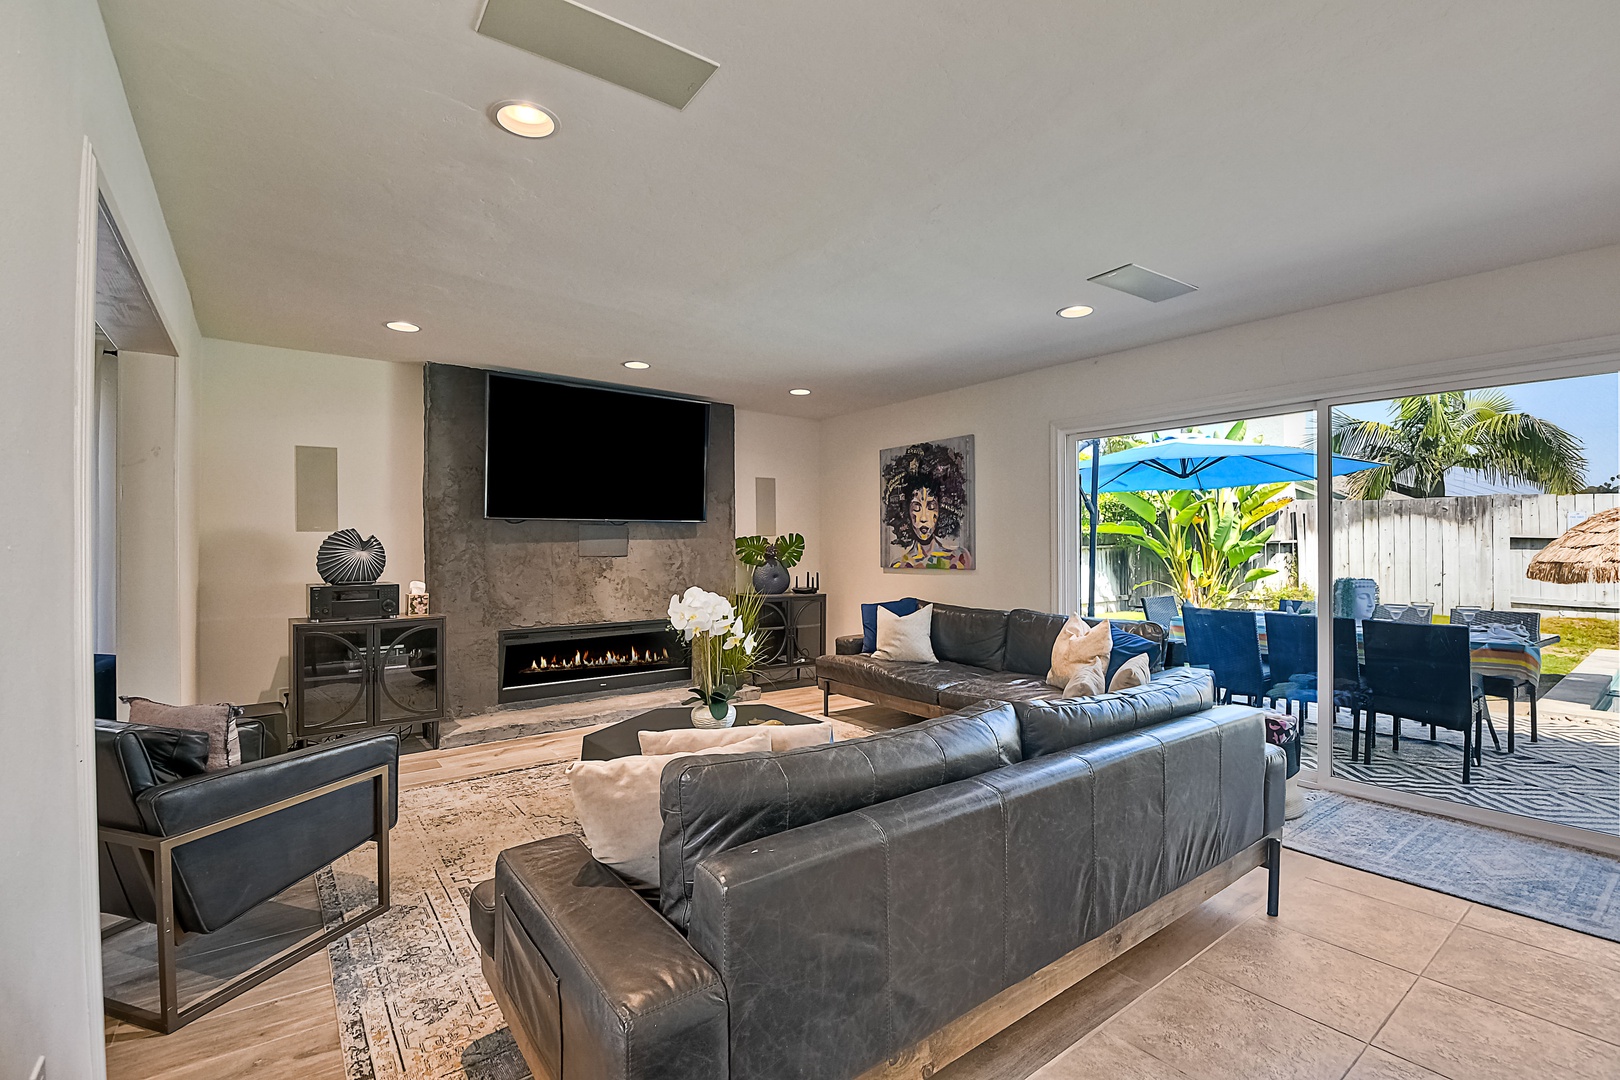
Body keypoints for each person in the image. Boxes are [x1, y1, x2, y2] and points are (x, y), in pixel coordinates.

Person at [884, 444, 973, 569]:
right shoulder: (899, 564)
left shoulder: (961, 558)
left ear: (941, 509)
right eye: (916, 507)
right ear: (905, 511)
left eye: (931, 506)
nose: (923, 518)